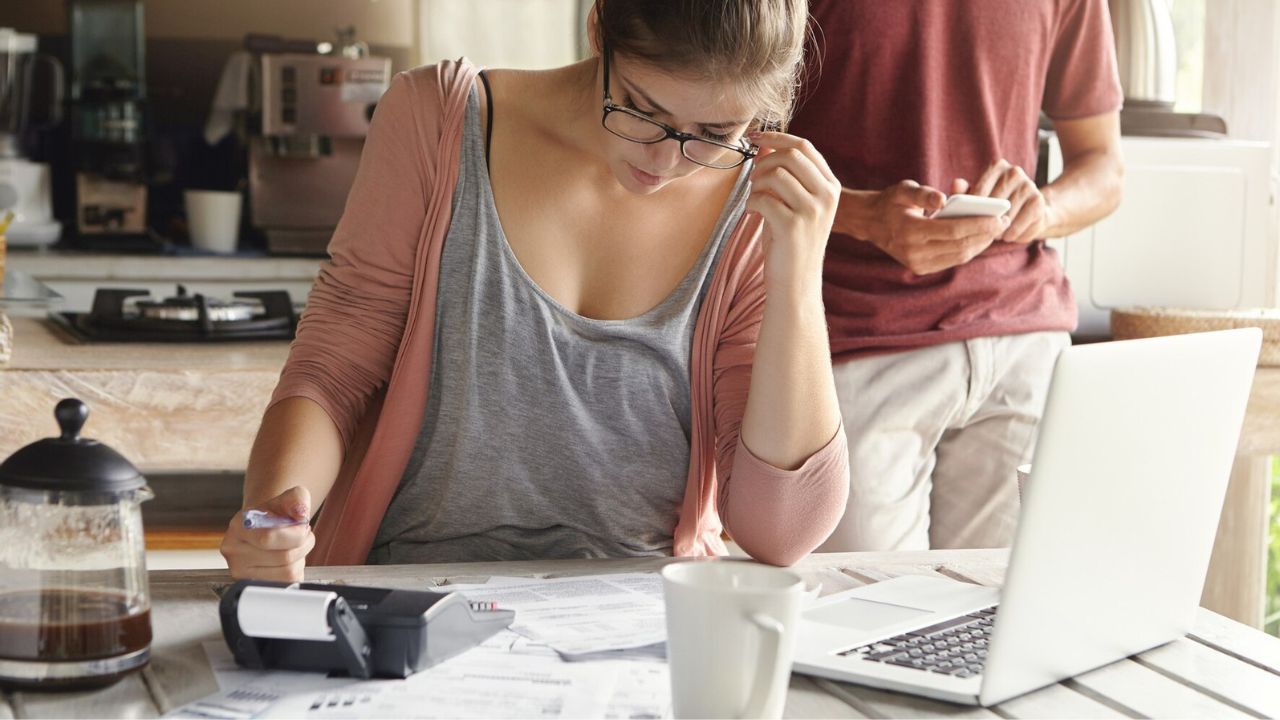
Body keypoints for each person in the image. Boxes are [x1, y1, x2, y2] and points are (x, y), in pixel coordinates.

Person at [221, 0, 850, 581]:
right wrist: (275, 518)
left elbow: (780, 533)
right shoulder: (437, 119)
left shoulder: (753, 205)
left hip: (642, 623)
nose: (664, 162)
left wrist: (796, 276)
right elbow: (333, 372)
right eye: (641, 110)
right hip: (416, 595)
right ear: (599, 27)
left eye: (714, 132)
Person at [788, 0, 1125, 551]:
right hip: (855, 343)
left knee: (1006, 622)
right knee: (863, 620)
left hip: (1024, 345)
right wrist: (861, 214)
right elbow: (724, 149)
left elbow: (1104, 165)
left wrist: (1045, 209)